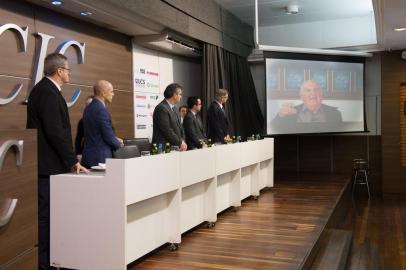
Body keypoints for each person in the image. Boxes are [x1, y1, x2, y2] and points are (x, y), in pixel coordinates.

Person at [26, 53, 88, 270]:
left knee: (52, 217)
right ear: (59, 71)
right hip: (47, 167)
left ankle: (53, 260)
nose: (69, 73)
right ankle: (45, 264)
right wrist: (72, 160)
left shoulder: (47, 91)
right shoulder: (47, 92)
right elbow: (55, 131)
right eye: (68, 69)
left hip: (51, 165)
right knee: (46, 218)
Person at [81, 80, 123, 168]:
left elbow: (96, 132)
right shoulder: (101, 110)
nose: (113, 94)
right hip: (100, 159)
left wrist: (114, 138)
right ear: (103, 93)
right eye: (111, 91)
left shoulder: (88, 108)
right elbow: (108, 136)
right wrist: (119, 144)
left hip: (88, 157)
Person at [272, 80, 343, 124]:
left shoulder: (335, 113)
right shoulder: (290, 113)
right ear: (301, 96)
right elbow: (273, 128)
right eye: (308, 90)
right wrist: (280, 115)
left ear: (321, 95)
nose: (313, 93)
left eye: (316, 90)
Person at [152, 83, 187, 151]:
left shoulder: (176, 109)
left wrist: (183, 141)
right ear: (174, 95)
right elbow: (167, 130)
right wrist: (180, 142)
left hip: (176, 147)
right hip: (163, 148)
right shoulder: (161, 108)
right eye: (180, 94)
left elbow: (180, 128)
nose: (181, 96)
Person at [74, 95, 93, 160]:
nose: (87, 107)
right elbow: (78, 139)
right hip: (85, 153)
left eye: (90, 105)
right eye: (86, 105)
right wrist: (78, 153)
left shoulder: (103, 119)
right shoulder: (82, 121)